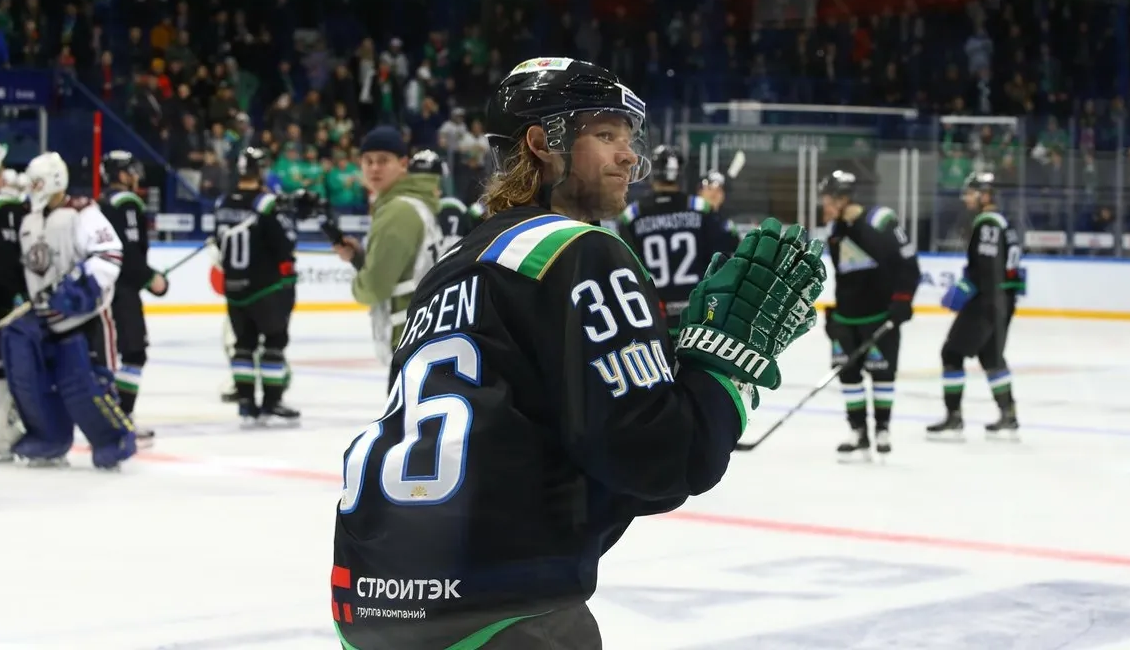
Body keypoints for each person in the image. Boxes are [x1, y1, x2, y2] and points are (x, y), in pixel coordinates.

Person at [329, 56, 826, 649]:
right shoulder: (578, 252)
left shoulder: (450, 268)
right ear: (543, 143)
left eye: (628, 138)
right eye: (606, 134)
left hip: (372, 601)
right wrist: (722, 368)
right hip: (499, 608)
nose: (628, 156)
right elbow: (657, 459)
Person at [0, 151, 136, 469]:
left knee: (86, 385)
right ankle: (48, 438)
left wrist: (81, 286)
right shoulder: (29, 220)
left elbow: (109, 253)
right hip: (44, 320)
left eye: (37, 182)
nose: (32, 188)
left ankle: (111, 439)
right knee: (34, 382)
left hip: (83, 320)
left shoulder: (82, 212)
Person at [818, 170, 919, 459]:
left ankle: (883, 429)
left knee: (882, 373)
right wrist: (837, 315)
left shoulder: (882, 221)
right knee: (848, 374)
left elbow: (908, 265)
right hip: (847, 317)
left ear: (842, 198)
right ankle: (858, 431)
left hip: (879, 314)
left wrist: (902, 301)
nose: (824, 204)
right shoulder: (835, 231)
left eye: (828, 199)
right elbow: (845, 276)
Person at [332, 127, 445, 366]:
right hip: (424, 336)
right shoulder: (415, 203)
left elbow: (374, 288)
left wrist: (360, 283)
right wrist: (360, 258)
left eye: (383, 160)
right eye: (368, 161)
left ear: (403, 164)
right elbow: (407, 271)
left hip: (408, 340)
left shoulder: (397, 211)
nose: (374, 168)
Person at [927, 171, 1024, 440]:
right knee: (991, 356)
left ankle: (954, 417)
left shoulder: (987, 224)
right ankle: (1008, 414)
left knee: (951, 353)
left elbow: (987, 269)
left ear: (985, 195)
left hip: (987, 301)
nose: (966, 198)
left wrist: (965, 289)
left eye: (971, 193)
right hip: (1004, 299)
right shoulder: (1003, 222)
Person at [212, 146, 300, 426]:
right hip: (265, 288)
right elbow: (285, 245)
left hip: (235, 290)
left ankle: (246, 405)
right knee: (274, 342)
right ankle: (271, 404)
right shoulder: (266, 204)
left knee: (243, 345)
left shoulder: (223, 203)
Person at [618, 145, 739, 334]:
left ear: (652, 174)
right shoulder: (701, 209)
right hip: (697, 317)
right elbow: (727, 253)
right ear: (680, 174)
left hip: (651, 318)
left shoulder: (631, 216)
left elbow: (624, 270)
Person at [97, 151, 166, 446]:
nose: (136, 176)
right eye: (130, 170)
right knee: (133, 353)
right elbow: (130, 253)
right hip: (123, 290)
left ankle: (108, 416)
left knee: (107, 355)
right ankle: (121, 417)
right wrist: (152, 280)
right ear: (120, 174)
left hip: (101, 290)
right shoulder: (127, 204)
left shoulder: (100, 203)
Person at [0, 146, 28, 461]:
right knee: (1, 371)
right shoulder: (5, 209)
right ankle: (1, 438)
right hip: (1, 308)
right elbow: (6, 266)